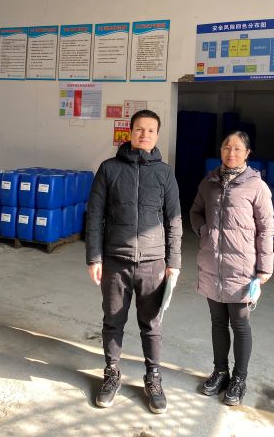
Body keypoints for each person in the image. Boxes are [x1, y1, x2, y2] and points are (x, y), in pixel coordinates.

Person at [86, 109, 182, 414]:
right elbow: (94, 216)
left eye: (151, 130)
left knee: (152, 324)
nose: (145, 135)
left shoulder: (165, 173)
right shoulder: (109, 169)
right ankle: (112, 373)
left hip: (153, 262)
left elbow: (174, 220)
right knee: (113, 320)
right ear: (129, 132)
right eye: (139, 129)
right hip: (116, 259)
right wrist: (94, 257)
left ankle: (153, 377)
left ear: (157, 135)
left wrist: (174, 261)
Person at [189, 131, 274, 406]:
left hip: (241, 268)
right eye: (226, 147)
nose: (231, 153)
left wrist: (264, 268)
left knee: (240, 324)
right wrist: (203, 230)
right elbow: (195, 211)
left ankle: (239, 378)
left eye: (237, 148)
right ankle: (220, 371)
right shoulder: (209, 182)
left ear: (248, 153)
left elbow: (266, 229)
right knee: (217, 322)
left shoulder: (257, 187)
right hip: (212, 263)